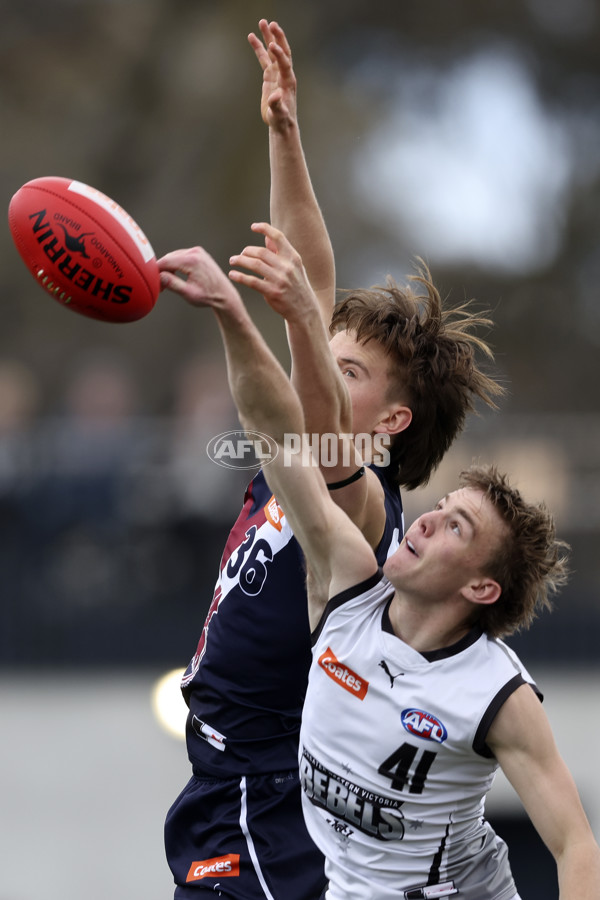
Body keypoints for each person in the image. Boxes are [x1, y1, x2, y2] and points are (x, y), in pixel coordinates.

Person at [162, 20, 504, 900]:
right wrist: (284, 132)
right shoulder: (306, 465)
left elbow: (297, 390)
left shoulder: (367, 505)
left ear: (391, 419)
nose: (315, 355)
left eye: (349, 370)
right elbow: (309, 277)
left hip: (273, 793)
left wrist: (242, 318)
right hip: (228, 785)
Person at [158, 245, 600, 900]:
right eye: (442, 507)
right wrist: (233, 312)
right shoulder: (348, 593)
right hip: (269, 822)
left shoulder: (493, 693)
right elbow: (280, 431)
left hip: (279, 812)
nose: (426, 520)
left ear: (481, 587)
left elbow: (575, 844)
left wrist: (301, 314)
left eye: (456, 527)